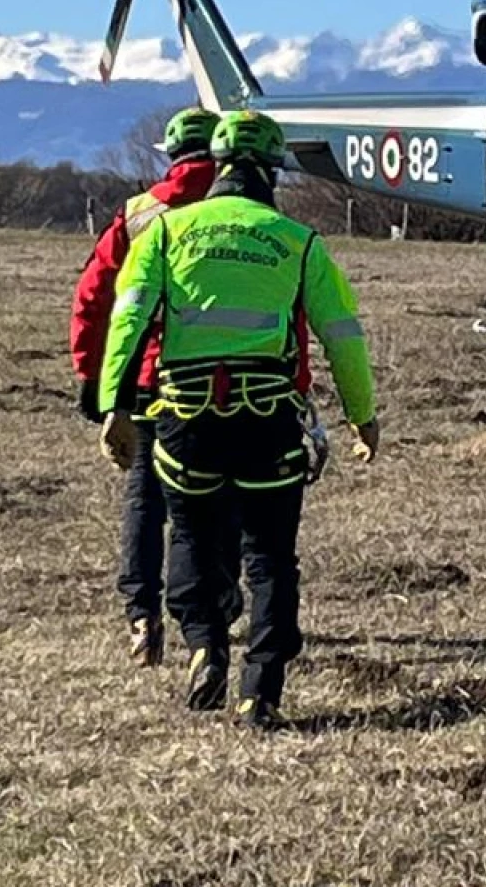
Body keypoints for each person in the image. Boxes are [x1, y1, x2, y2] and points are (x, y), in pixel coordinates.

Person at [96, 108, 381, 730]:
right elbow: (342, 336)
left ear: (218, 166)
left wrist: (114, 406)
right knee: (271, 557)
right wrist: (363, 416)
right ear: (271, 174)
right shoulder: (299, 241)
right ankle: (261, 691)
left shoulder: (165, 234)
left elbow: (128, 320)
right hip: (268, 421)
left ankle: (204, 643)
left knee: (192, 537)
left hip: (183, 420)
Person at [70, 106, 222, 667]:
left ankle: (142, 616)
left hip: (143, 380)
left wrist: (93, 377)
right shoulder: (240, 210)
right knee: (217, 501)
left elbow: (92, 298)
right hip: (223, 380)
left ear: (171, 155)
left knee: (145, 500)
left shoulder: (138, 213)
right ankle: (210, 613)